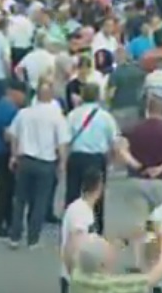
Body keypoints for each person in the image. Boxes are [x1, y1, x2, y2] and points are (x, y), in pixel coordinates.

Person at [7, 78, 70, 249]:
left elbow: (12, 135)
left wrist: (13, 155)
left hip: (25, 160)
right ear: (50, 96)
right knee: (40, 201)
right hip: (46, 162)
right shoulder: (57, 117)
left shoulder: (24, 113)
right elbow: (62, 142)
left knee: (20, 200)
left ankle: (14, 236)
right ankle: (33, 239)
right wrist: (63, 163)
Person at [64, 82, 119, 234]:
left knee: (73, 194)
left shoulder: (73, 115)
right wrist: (111, 162)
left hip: (77, 157)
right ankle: (96, 229)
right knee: (96, 195)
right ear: (98, 96)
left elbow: (66, 140)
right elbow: (114, 142)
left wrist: (63, 161)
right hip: (96, 159)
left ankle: (71, 227)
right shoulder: (105, 117)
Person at [116, 94, 162, 214]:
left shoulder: (133, 128)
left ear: (147, 111)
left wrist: (137, 165)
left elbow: (121, 149)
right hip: (161, 182)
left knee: (138, 220)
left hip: (136, 180)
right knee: (159, 220)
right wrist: (159, 169)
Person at [66, 230, 162, 293]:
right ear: (102, 265)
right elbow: (154, 277)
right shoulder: (107, 285)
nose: (112, 250)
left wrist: (121, 242)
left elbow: (76, 247)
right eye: (109, 250)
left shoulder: (78, 274)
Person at [0, 80, 25, 240]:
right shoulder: (9, 109)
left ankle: (7, 222)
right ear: (14, 92)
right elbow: (8, 135)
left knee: (7, 189)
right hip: (3, 152)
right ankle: (0, 224)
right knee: (6, 189)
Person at [60, 167, 105, 293]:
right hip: (77, 279)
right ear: (99, 187)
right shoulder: (80, 211)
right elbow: (73, 242)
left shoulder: (83, 208)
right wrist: (72, 272)